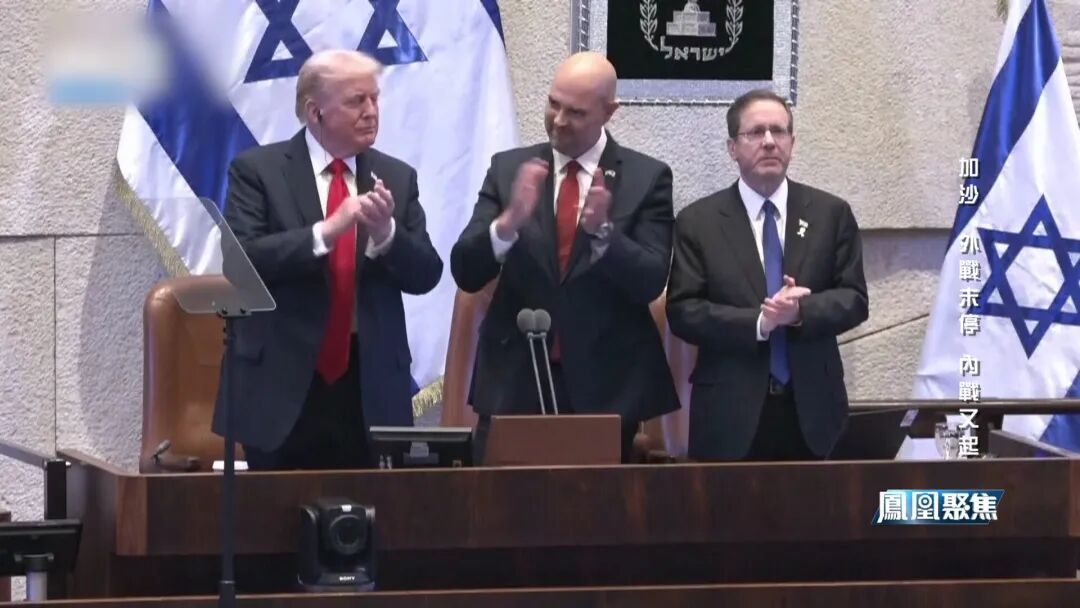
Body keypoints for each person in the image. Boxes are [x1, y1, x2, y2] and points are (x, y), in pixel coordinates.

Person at [212, 50, 443, 470]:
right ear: (314, 112)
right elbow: (241, 261)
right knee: (276, 511)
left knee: (371, 510)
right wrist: (327, 231)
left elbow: (427, 273)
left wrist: (386, 234)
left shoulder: (396, 176)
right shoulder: (258, 171)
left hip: (368, 385)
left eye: (375, 99)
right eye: (357, 101)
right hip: (282, 385)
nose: (371, 111)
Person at [451, 52, 679, 463]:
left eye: (575, 112)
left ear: (609, 112)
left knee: (595, 503)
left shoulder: (646, 177)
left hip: (606, 387)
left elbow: (650, 279)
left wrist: (605, 235)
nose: (558, 120)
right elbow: (466, 270)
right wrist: (507, 224)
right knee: (505, 501)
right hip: (514, 382)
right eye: (553, 104)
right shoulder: (508, 169)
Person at [666, 89, 868, 461]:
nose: (770, 142)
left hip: (814, 411)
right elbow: (684, 312)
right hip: (729, 412)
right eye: (756, 132)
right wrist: (760, 322)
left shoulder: (830, 213)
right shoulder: (699, 222)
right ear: (732, 148)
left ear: (792, 142)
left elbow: (854, 299)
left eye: (779, 131)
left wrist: (800, 312)